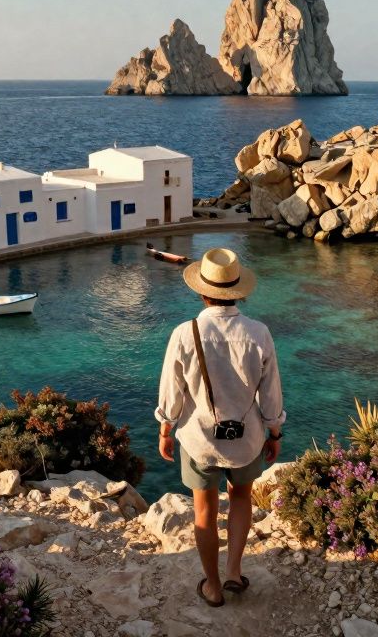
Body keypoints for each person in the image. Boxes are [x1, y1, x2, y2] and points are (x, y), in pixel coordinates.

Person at [155, 247, 285, 608]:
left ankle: (212, 586)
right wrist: (275, 433)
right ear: (238, 291)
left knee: (204, 511)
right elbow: (271, 394)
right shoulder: (259, 333)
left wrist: (165, 429)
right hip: (247, 439)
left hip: (199, 439)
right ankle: (233, 573)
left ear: (202, 292)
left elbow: (172, 393)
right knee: (241, 497)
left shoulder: (185, 333)